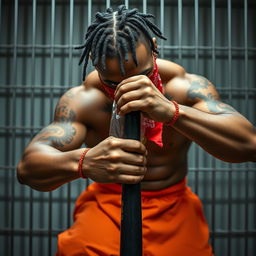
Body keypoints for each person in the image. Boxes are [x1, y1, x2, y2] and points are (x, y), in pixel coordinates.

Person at [17, 5, 256, 256]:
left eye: (143, 75)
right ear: (93, 62)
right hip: (108, 203)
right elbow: (27, 169)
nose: (127, 90)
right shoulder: (85, 100)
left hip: (173, 206)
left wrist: (173, 111)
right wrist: (83, 162)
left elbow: (250, 146)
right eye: (113, 82)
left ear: (154, 47)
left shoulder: (185, 88)